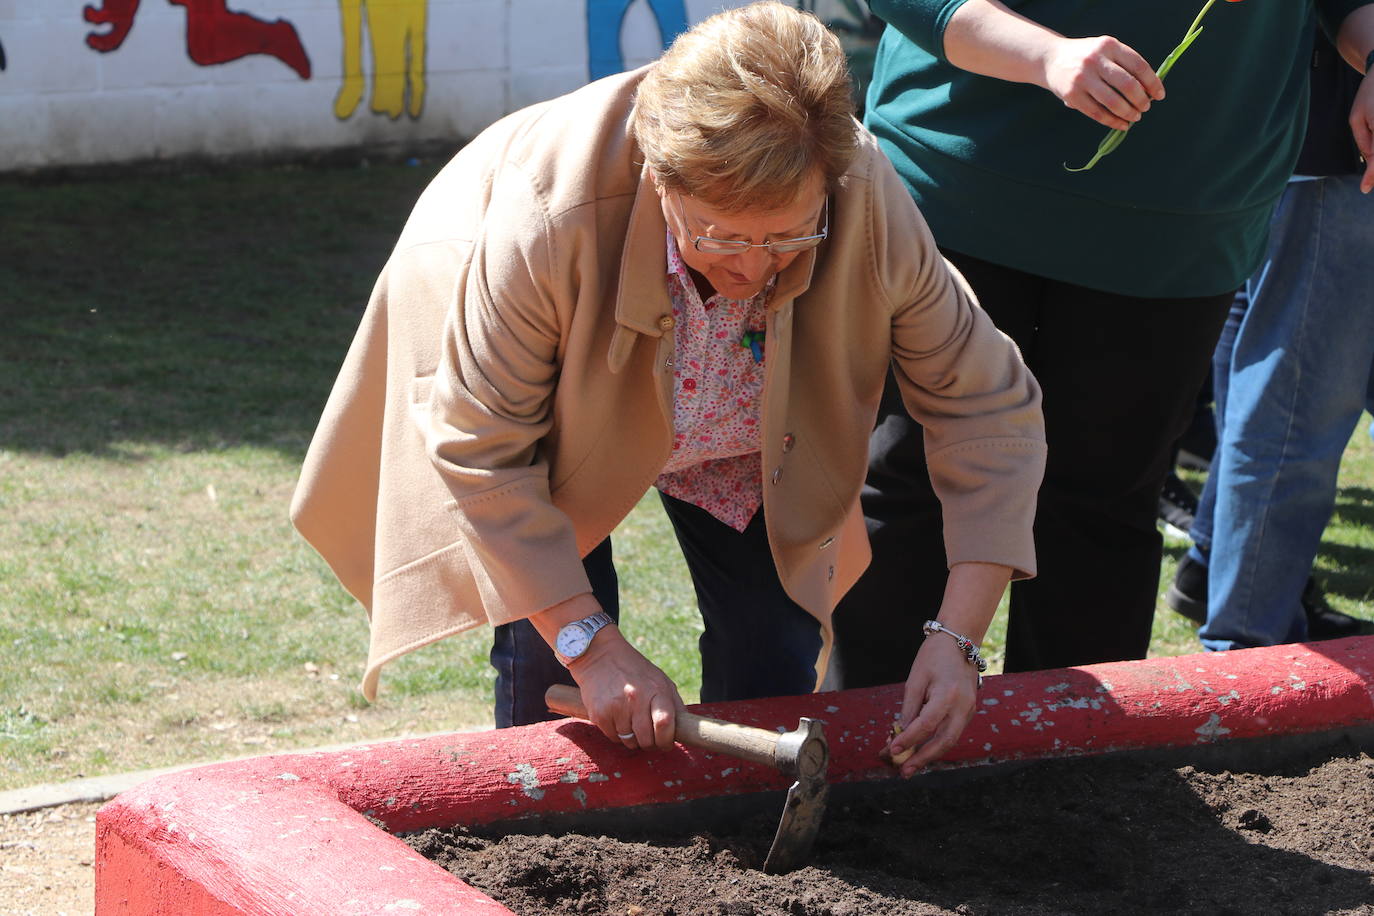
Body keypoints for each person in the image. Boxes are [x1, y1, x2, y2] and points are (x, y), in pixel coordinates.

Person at [291, 2, 1046, 776]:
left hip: (740, 419)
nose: (753, 269)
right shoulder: (549, 212)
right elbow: (484, 452)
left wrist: (957, 639)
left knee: (773, 646)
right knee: (549, 644)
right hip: (551, 404)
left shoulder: (861, 189)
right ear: (662, 179)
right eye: (718, 235)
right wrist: (592, 644)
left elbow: (988, 404)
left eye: (788, 236)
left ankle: (747, 812)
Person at [828, 0, 1374, 687]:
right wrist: (1043, 54)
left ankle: (1069, 776)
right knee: (907, 484)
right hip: (957, 194)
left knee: (1102, 512)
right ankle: (861, 764)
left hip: (1182, 219)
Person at [1166, 32, 1374, 650]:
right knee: (1293, 416)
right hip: (1329, 135)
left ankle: (1215, 572)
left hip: (1291, 127)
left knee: (1262, 383)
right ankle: (1247, 643)